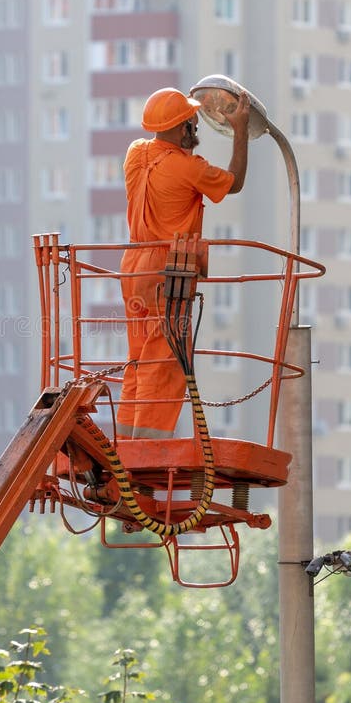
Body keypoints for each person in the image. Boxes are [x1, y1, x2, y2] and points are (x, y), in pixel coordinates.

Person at [116, 86, 250, 440]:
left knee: (139, 358)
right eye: (190, 121)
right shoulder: (188, 168)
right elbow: (234, 183)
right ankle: (147, 447)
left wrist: (183, 143)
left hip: (133, 267)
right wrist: (240, 130)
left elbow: (168, 159)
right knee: (165, 360)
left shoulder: (135, 153)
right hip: (167, 269)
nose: (195, 124)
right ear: (180, 128)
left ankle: (126, 445)